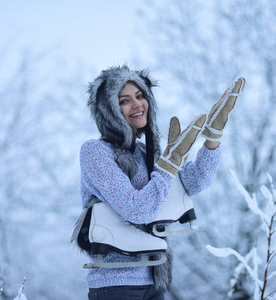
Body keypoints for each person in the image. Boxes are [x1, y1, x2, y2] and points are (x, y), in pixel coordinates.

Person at [71, 65, 245, 300]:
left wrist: (212, 139)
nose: (137, 104)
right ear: (109, 111)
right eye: (124, 100)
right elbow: (137, 208)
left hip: (155, 282)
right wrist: (169, 164)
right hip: (114, 286)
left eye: (140, 96)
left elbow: (191, 185)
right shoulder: (95, 152)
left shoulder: (146, 153)